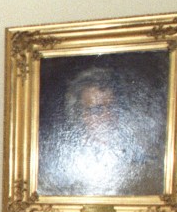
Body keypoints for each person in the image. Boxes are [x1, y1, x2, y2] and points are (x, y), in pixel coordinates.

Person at [37, 64, 166, 197]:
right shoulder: (60, 162)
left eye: (112, 107)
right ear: (80, 114)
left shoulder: (140, 156)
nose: (107, 116)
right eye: (97, 110)